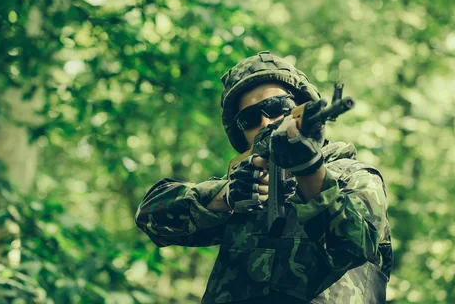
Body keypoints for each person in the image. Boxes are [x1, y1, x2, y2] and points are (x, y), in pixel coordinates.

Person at [135, 51, 393, 303]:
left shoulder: (354, 177)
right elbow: (150, 216)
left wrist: (309, 170)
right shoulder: (244, 186)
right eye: (248, 118)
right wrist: (226, 197)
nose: (265, 122)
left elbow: (354, 245)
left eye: (277, 107)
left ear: (302, 108)